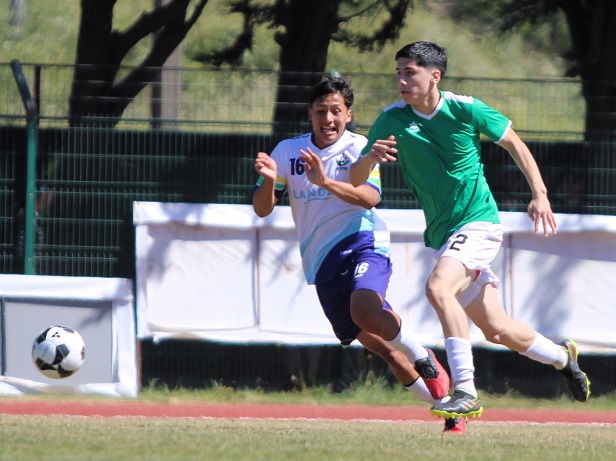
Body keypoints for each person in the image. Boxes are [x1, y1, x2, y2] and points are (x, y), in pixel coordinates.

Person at [349, 41, 591, 420]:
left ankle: (465, 389)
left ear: (435, 76)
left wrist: (540, 195)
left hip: (478, 222)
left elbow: (515, 143)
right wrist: (369, 158)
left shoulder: (465, 108)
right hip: (444, 234)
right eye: (398, 73)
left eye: (409, 72)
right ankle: (563, 357)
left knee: (438, 288)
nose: (401, 80)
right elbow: (354, 177)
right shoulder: (391, 119)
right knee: (498, 330)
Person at [253, 75, 464, 433]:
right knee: (385, 350)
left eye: (336, 111)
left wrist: (325, 182)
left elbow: (370, 197)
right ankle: (447, 409)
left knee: (365, 309)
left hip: (364, 242)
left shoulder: (359, 148)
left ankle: (422, 356)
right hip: (322, 262)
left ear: (348, 115)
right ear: (309, 114)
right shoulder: (287, 152)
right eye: (321, 111)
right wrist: (271, 179)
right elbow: (262, 209)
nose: (328, 118)